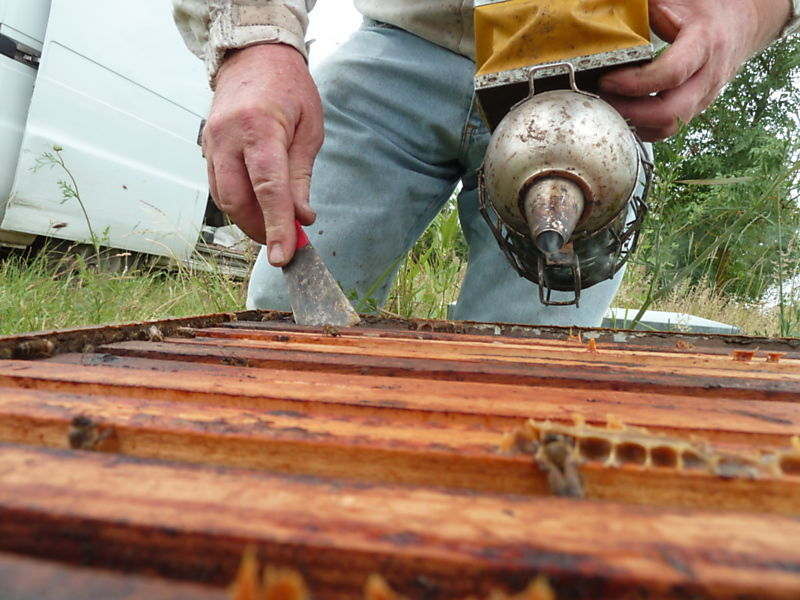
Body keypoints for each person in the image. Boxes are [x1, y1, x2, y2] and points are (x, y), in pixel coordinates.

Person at [173, 0, 798, 326]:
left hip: (598, 87)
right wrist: (255, 42)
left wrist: (744, 13)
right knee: (287, 316)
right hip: (403, 41)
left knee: (535, 353)